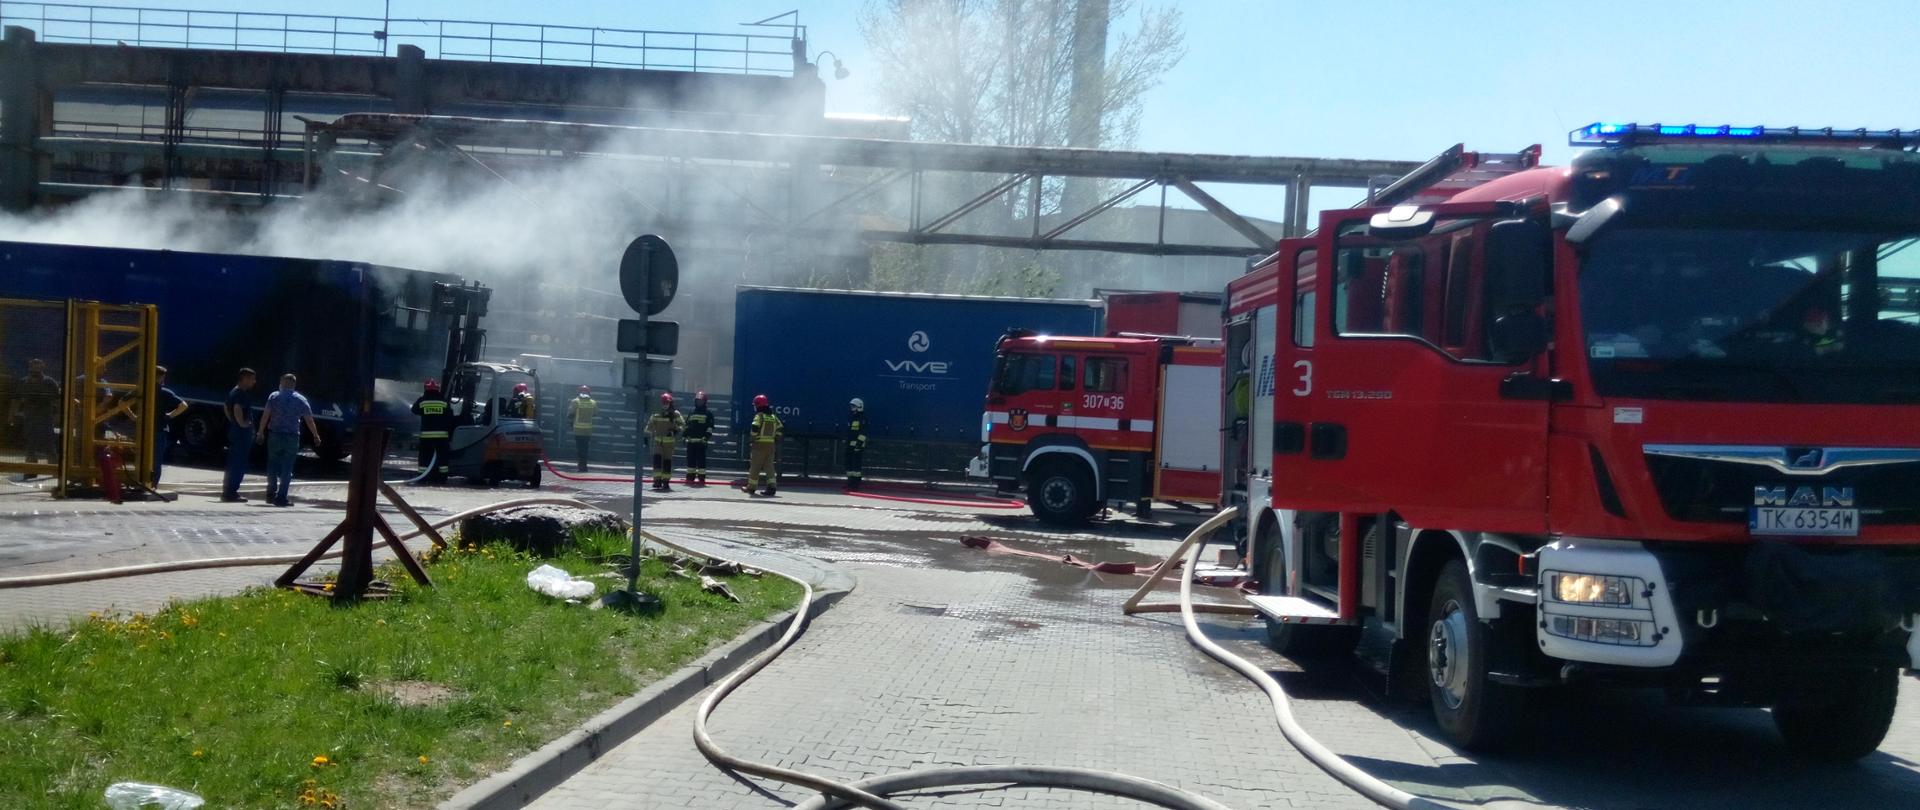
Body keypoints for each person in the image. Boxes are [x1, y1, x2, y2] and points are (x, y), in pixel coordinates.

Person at [256, 373, 322, 507]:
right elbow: (309, 420)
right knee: (287, 467)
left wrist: (260, 431)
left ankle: (270, 493)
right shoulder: (301, 400)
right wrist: (315, 435)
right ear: (294, 384)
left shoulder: (273, 397)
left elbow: (266, 415)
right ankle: (281, 497)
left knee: (272, 464)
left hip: (275, 434)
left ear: (282, 382)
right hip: (292, 437)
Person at [13, 359, 60, 478]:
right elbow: (16, 400)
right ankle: (31, 471)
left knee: (49, 444)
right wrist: (13, 415)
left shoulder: (49, 382)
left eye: (38, 365)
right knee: (30, 445)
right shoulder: (24, 382)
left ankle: (54, 470)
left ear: (42, 367)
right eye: (33, 365)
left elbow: (58, 399)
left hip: (46, 418)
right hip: (30, 418)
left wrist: (58, 416)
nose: (35, 368)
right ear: (30, 367)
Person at [152, 365, 188, 487]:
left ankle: (140, 481)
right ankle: (153, 484)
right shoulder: (165, 393)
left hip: (144, 429)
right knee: (156, 460)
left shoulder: (143, 390)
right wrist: (170, 415)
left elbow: (122, 402)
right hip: (160, 428)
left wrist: (133, 417)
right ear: (161, 377)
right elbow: (183, 405)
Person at [411, 379, 452, 482]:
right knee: (443, 459)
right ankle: (442, 479)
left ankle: (422, 477)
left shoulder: (422, 401)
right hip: (442, 437)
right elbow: (450, 416)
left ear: (425, 388)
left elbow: (414, 410)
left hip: (426, 436)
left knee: (425, 457)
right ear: (438, 389)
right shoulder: (443, 402)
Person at [744, 393, 783, 497]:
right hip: (771, 445)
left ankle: (751, 488)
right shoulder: (773, 417)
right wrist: (776, 437)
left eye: (755, 405)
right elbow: (780, 428)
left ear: (758, 405)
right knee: (769, 467)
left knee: (755, 467)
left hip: (759, 444)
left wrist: (752, 438)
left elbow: (754, 427)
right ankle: (772, 487)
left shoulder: (759, 416)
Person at [645, 392, 685, 492]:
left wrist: (675, 431)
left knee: (667, 462)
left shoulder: (675, 414)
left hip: (669, 443)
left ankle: (666, 481)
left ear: (670, 403)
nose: (665, 405)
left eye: (666, 403)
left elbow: (683, 425)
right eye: (663, 403)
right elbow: (649, 426)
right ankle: (657, 480)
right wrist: (645, 436)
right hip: (658, 441)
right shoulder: (656, 414)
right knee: (657, 461)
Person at [683, 390, 713, 485]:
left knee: (701, 461)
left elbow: (710, 428)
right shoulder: (691, 412)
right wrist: (684, 435)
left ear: (705, 402)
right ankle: (690, 478)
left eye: (701, 401)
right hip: (691, 442)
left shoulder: (708, 414)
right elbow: (687, 425)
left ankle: (701, 478)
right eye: (698, 401)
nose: (699, 402)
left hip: (701, 442)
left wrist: (706, 438)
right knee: (690, 461)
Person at [566, 385, 597, 472]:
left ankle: (581, 466)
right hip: (588, 430)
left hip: (578, 429)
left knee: (579, 448)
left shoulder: (575, 402)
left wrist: (571, 419)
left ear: (579, 392)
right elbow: (595, 413)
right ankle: (584, 466)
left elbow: (570, 414)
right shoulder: (593, 402)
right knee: (585, 448)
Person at [844, 396, 868, 491]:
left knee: (856, 466)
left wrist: (858, 444)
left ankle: (856, 485)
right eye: (851, 406)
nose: (852, 408)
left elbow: (863, 433)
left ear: (859, 407)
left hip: (858, 446)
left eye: (854, 406)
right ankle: (850, 482)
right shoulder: (853, 417)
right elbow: (851, 432)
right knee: (849, 464)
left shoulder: (862, 418)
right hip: (850, 445)